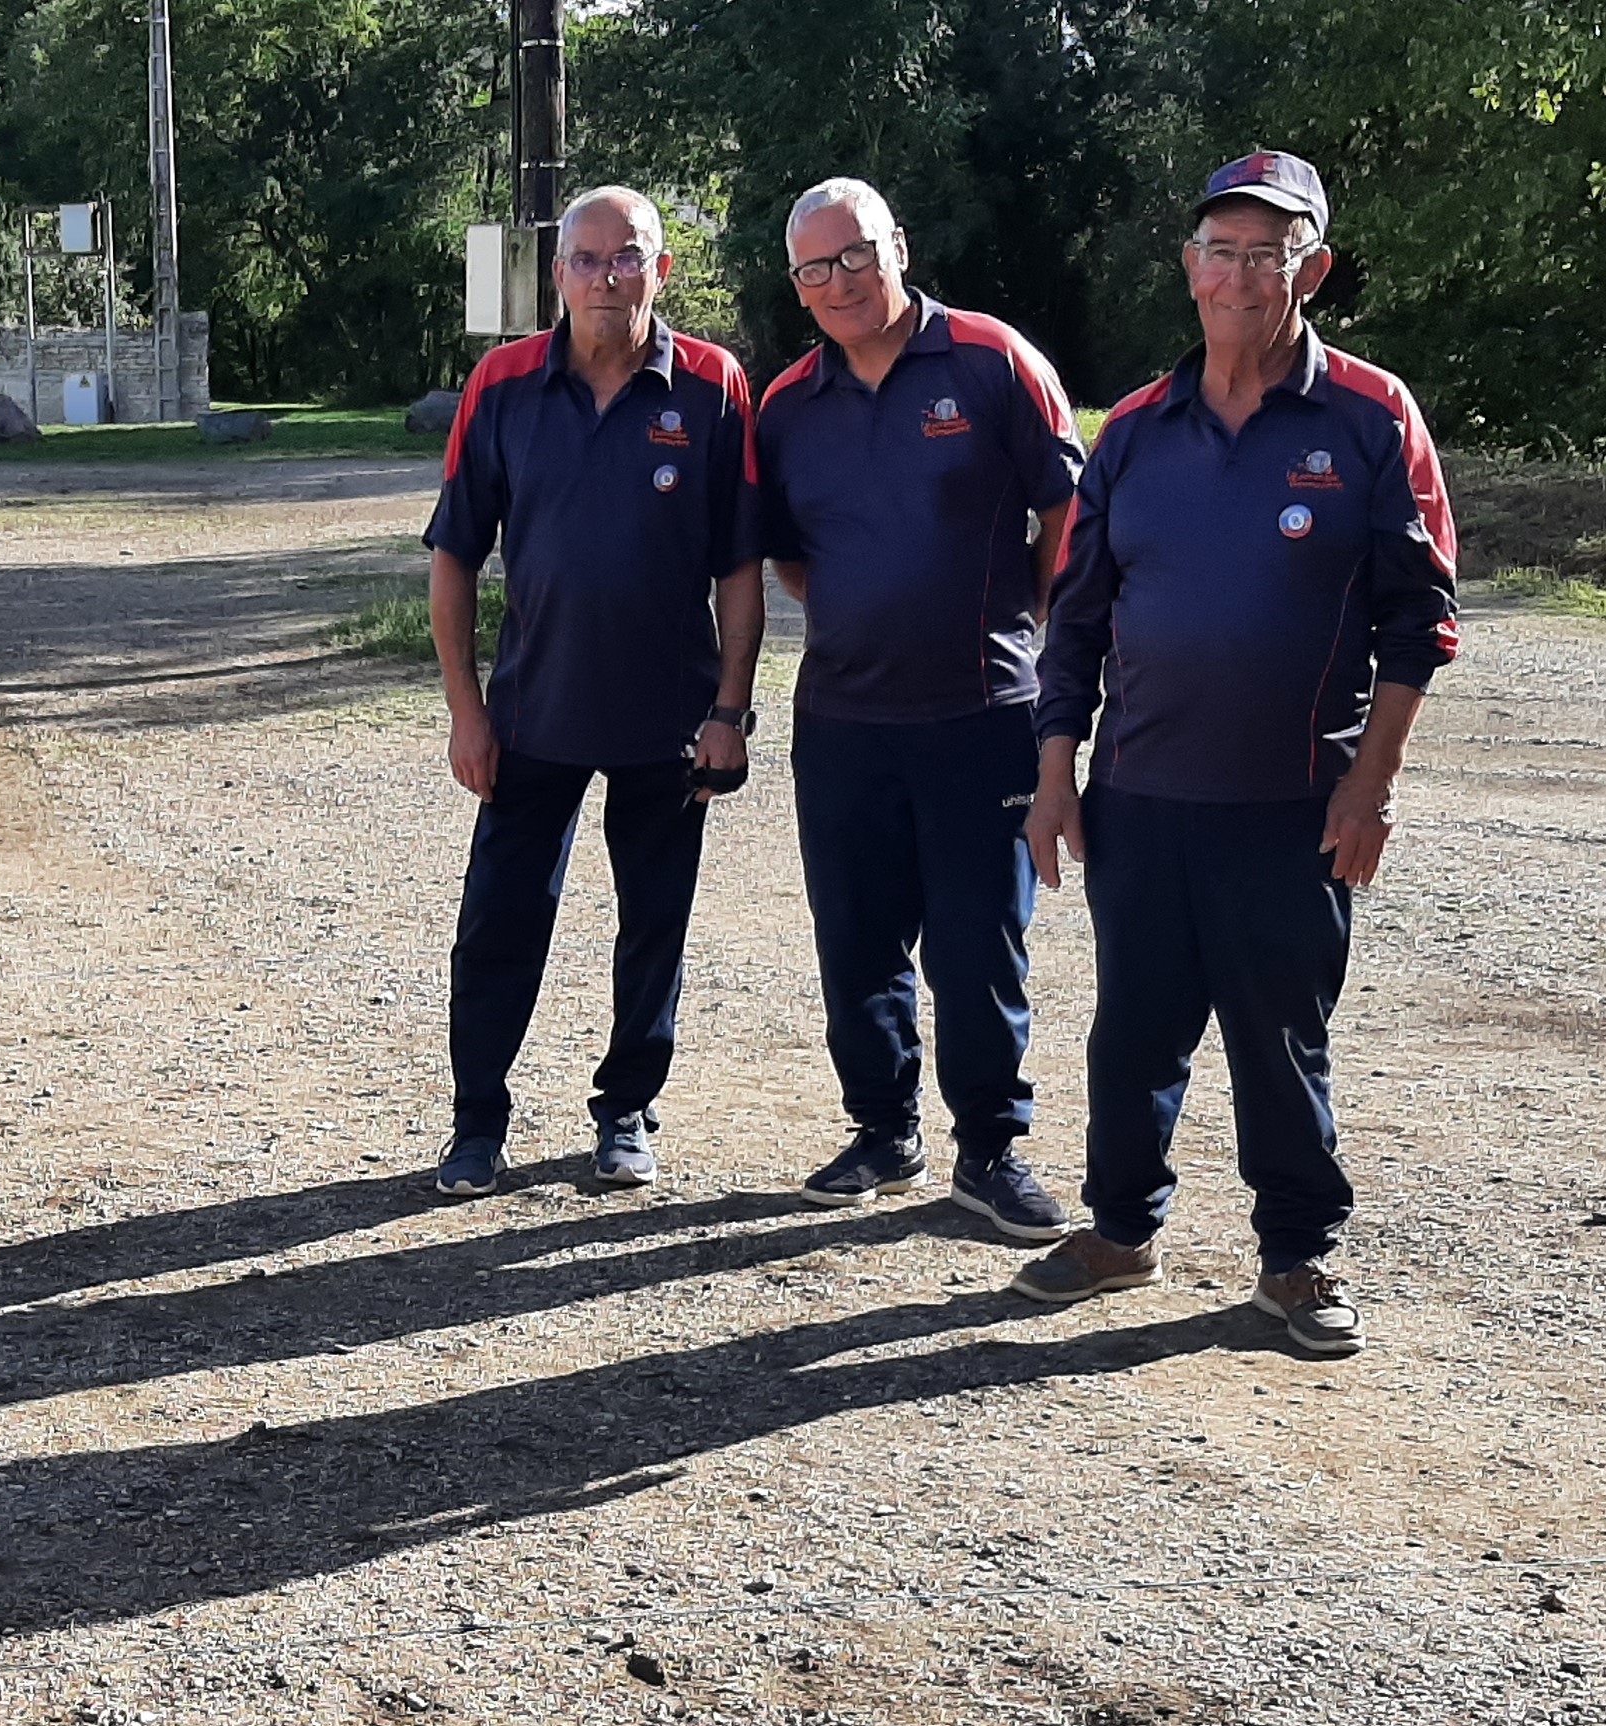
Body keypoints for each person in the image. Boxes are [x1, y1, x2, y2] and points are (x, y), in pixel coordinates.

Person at [1017, 150, 1458, 1357]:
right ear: (1188, 265)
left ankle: (1298, 1260)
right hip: (1143, 797)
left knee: (1279, 1035)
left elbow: (1419, 619)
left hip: (1294, 804)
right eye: (1221, 249)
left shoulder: (1370, 418)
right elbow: (1078, 618)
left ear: (1310, 269)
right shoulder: (1134, 435)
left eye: (1269, 253)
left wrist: (1370, 786)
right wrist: (1057, 773)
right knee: (1133, 1026)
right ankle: (1117, 1231)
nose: (1240, 275)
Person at [753, 178, 1085, 1240]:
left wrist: (1023, 615)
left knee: (978, 945)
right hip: (843, 717)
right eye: (815, 268)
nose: (839, 281)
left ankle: (989, 1147)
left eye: (854, 255)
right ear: (797, 288)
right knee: (854, 936)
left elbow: (1068, 506)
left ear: (897, 245)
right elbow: (790, 558)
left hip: (982, 710)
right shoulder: (787, 405)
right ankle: (881, 1126)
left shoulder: (992, 361)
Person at [425, 184, 765, 1198]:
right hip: (531, 712)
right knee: (499, 919)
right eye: (587, 257)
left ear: (661, 269)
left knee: (653, 921)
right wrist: (465, 712)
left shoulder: (713, 386)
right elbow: (452, 557)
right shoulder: (502, 384)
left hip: (670, 717)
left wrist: (731, 710)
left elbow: (738, 568)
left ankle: (626, 1112)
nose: (607, 274)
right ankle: (476, 1120)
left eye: (629, 256)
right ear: (558, 272)